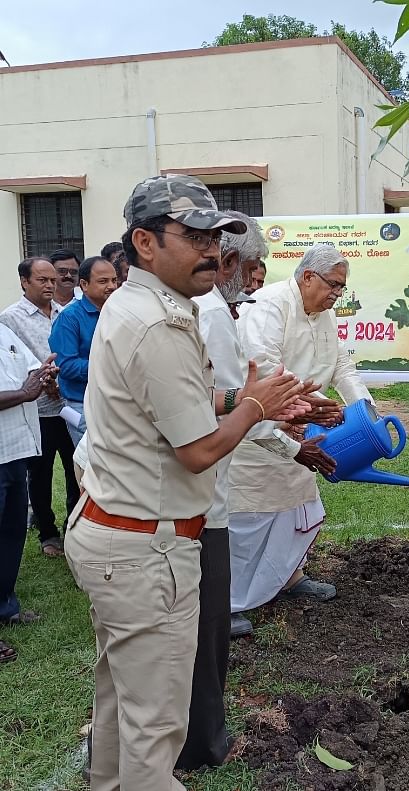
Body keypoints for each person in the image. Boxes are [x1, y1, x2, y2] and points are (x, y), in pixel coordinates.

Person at [63, 174, 304, 790]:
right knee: (155, 726)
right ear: (144, 242)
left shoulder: (144, 306)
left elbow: (184, 403)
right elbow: (198, 450)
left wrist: (249, 398)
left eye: (215, 236)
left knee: (122, 699)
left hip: (119, 533)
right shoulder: (157, 324)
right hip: (145, 547)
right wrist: (252, 408)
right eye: (193, 236)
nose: (211, 251)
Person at [178, 213, 332, 771]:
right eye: (249, 265)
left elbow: (227, 400)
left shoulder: (213, 309)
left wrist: (291, 412)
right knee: (210, 598)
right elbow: (226, 407)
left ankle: (201, 736)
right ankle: (199, 743)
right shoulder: (220, 315)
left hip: (224, 463)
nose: (252, 275)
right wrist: (289, 435)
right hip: (193, 486)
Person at [229, 243, 363, 616]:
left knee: (293, 512)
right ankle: (231, 599)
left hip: (302, 428)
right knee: (248, 520)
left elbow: (342, 366)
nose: (337, 294)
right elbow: (267, 369)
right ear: (307, 277)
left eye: (341, 288)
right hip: (258, 431)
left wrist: (363, 407)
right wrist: (313, 407)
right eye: (333, 285)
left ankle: (288, 577)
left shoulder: (325, 316)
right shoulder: (269, 306)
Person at [0, 258, 79, 557]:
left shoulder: (65, 313)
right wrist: (41, 380)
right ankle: (48, 534)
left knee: (76, 469)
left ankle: (74, 529)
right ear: (24, 281)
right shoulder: (10, 318)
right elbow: (11, 367)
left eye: (52, 280)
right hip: (38, 409)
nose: (50, 285)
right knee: (41, 475)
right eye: (42, 280)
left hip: (69, 405)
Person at [0, 322, 57, 662]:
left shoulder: (4, 331)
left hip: (14, 450)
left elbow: (30, 368)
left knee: (10, 535)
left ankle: (6, 606)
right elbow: (24, 388)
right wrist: (24, 393)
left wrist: (43, 374)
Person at [48, 256, 118, 445]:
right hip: (84, 405)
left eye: (114, 280)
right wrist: (113, 368)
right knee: (92, 466)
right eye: (103, 281)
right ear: (84, 285)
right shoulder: (69, 318)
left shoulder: (120, 313)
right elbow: (67, 366)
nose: (111, 286)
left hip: (118, 402)